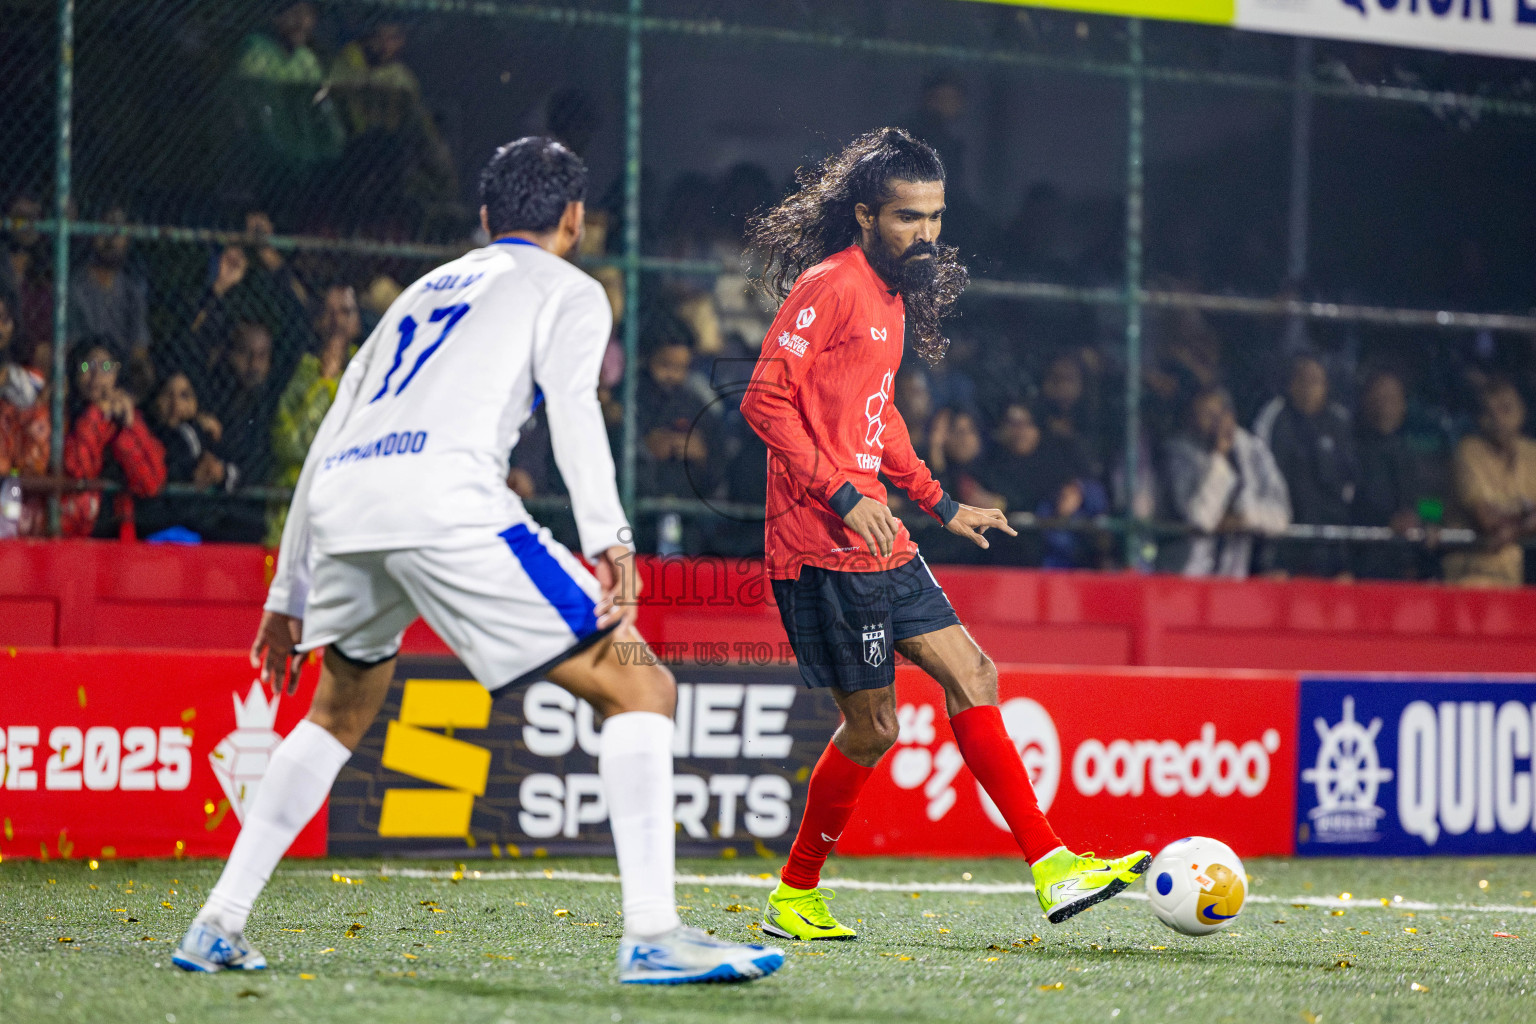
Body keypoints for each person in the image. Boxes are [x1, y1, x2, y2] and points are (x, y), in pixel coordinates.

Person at [172, 137, 783, 985]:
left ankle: (217, 922)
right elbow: (574, 410)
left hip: (346, 504)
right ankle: (652, 934)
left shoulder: (420, 290)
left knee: (339, 709)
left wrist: (289, 590)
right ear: (574, 219)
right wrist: (612, 540)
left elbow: (329, 435)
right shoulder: (568, 288)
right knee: (642, 685)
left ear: (487, 217)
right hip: (445, 502)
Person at [740, 127, 1149, 942]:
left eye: (934, 216)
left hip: (877, 533)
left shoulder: (890, 295)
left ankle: (1053, 867)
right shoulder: (833, 285)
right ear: (864, 216)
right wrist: (838, 492)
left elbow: (875, 410)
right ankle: (794, 894)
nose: (925, 233)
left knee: (975, 672)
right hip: (822, 542)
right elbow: (763, 399)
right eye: (906, 218)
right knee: (874, 728)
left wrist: (939, 502)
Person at [266, 284, 363, 544]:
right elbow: (289, 444)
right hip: (296, 505)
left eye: (345, 312)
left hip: (349, 501)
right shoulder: (301, 372)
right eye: (330, 313)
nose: (338, 322)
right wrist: (325, 383)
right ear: (318, 322)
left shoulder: (369, 372)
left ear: (357, 323)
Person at [1161, 386, 1291, 578]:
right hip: (1188, 574)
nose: (1215, 422)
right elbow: (1201, 518)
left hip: (1236, 574)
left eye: (1219, 414)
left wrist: (1244, 518)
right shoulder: (1180, 453)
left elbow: (1282, 515)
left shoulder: (1252, 450)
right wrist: (1220, 457)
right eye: (1205, 415)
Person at [1259, 355, 1356, 577]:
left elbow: (1349, 484)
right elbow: (1262, 476)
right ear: (1290, 384)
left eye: (1316, 381)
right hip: (1284, 539)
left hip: (1329, 541)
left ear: (1326, 386)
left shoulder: (1339, 421)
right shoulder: (1275, 417)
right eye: (1302, 380)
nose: (1308, 388)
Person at [60, 340, 166, 537]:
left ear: (118, 376)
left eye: (106, 367)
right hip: (72, 530)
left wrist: (128, 426)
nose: (96, 375)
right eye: (87, 366)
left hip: (117, 529)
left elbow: (151, 482)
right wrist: (96, 414)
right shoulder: (63, 418)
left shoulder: (128, 419)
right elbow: (78, 470)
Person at [1443, 380, 1536, 587]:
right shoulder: (1468, 451)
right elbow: (1486, 519)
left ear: (1522, 411)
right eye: (1488, 412)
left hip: (1512, 577)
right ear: (1479, 419)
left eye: (1505, 409)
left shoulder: (1532, 454)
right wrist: (1526, 512)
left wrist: (1513, 531)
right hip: (1469, 575)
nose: (1497, 419)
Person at [1351, 370, 1422, 581]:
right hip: (1366, 565)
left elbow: (1433, 502)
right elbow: (1348, 507)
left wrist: (1425, 519)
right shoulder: (1350, 450)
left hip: (1410, 566)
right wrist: (1387, 523)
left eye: (1392, 399)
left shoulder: (1414, 453)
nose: (1384, 407)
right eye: (1378, 399)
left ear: (1404, 406)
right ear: (1365, 403)